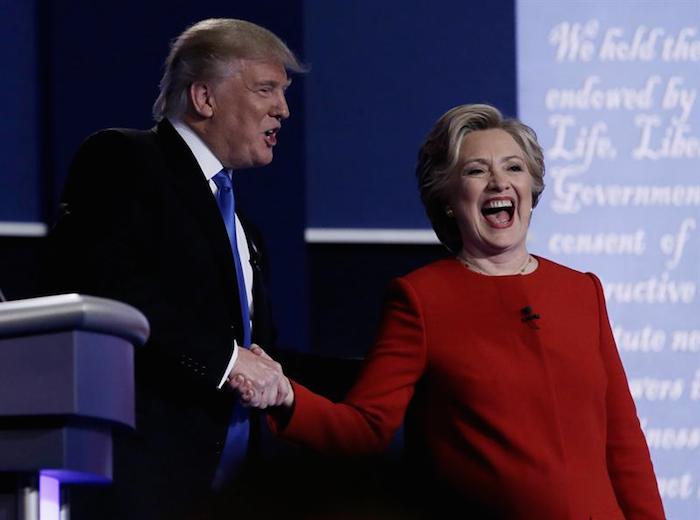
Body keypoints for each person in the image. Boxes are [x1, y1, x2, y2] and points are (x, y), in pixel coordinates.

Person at [238, 104, 666, 518]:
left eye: (513, 168)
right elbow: (367, 428)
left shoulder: (581, 290)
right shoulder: (421, 299)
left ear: (532, 190)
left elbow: (623, 441)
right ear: (447, 198)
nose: (499, 182)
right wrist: (287, 396)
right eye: (477, 171)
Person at [45, 18, 303, 519]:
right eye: (266, 89)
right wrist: (225, 361)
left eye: (283, 92)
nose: (284, 109)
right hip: (141, 483)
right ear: (204, 98)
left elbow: (261, 357)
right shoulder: (123, 159)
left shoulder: (241, 225)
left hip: (229, 490)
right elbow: (108, 287)